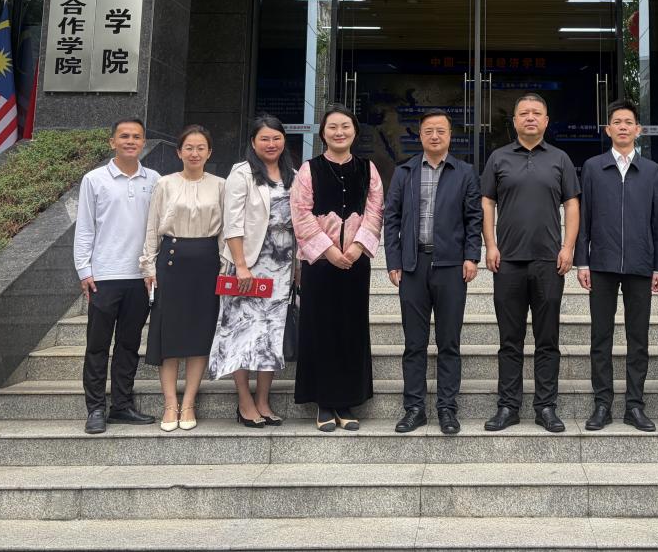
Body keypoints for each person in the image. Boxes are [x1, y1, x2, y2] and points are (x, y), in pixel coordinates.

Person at [481, 93, 580, 434]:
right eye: (524, 113)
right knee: (510, 339)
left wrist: (568, 248)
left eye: (537, 113)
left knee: (547, 339)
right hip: (507, 261)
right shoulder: (498, 157)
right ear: (515, 121)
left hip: (549, 262)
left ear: (546, 121)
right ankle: (508, 406)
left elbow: (572, 204)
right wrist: (490, 245)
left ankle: (546, 407)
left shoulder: (560, 159)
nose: (530, 118)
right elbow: (487, 203)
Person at [384, 110, 482, 435]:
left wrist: (472, 257)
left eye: (441, 130)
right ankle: (414, 409)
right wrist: (394, 261)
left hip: (451, 266)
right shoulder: (404, 172)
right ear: (420, 135)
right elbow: (391, 219)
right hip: (413, 266)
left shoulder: (464, 173)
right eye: (429, 131)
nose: (435, 136)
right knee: (414, 343)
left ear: (450, 135)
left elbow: (473, 218)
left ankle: (447, 409)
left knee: (449, 342)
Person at [576, 99, 658, 433]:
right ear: (608, 129)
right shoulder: (593, 167)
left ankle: (634, 405)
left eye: (629, 122)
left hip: (641, 265)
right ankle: (602, 404)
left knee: (638, 338)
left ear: (638, 130)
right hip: (601, 263)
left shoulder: (652, 171)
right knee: (600, 337)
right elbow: (583, 217)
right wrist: (582, 261)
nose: (623, 127)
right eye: (617, 122)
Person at [291, 104, 383, 432]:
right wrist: (328, 250)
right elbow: (300, 213)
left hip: (355, 263)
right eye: (332, 127)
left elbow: (375, 211)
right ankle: (324, 402)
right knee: (321, 328)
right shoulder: (309, 170)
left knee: (350, 328)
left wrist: (357, 247)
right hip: (319, 263)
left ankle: (347, 401)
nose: (339, 132)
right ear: (323, 133)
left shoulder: (368, 169)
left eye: (345, 126)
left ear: (355, 132)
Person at [207, 115, 297, 428]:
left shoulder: (293, 174)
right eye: (264, 139)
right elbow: (232, 223)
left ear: (284, 140)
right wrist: (241, 265)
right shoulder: (242, 173)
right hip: (248, 264)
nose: (271, 144)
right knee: (242, 332)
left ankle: (263, 401)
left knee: (271, 333)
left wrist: (298, 266)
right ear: (253, 143)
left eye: (276, 138)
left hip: (282, 266)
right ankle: (245, 401)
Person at [73, 118, 160, 435]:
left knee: (128, 344)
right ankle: (95, 408)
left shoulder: (155, 179)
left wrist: (154, 268)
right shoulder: (94, 180)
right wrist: (84, 270)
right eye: (124, 136)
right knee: (97, 346)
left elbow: (158, 228)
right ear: (112, 142)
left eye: (136, 136)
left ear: (144, 142)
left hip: (139, 277)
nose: (130, 141)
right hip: (104, 276)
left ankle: (122, 405)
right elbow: (85, 227)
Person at [141, 125, 225, 432]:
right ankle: (169, 403)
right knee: (169, 334)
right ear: (179, 152)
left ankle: (188, 402)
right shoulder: (165, 184)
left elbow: (226, 230)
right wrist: (148, 267)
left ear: (209, 152)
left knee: (199, 334)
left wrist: (225, 266)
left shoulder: (220, 185)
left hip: (207, 263)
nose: (194, 153)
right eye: (189, 147)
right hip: (171, 261)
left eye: (200, 148)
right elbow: (152, 227)